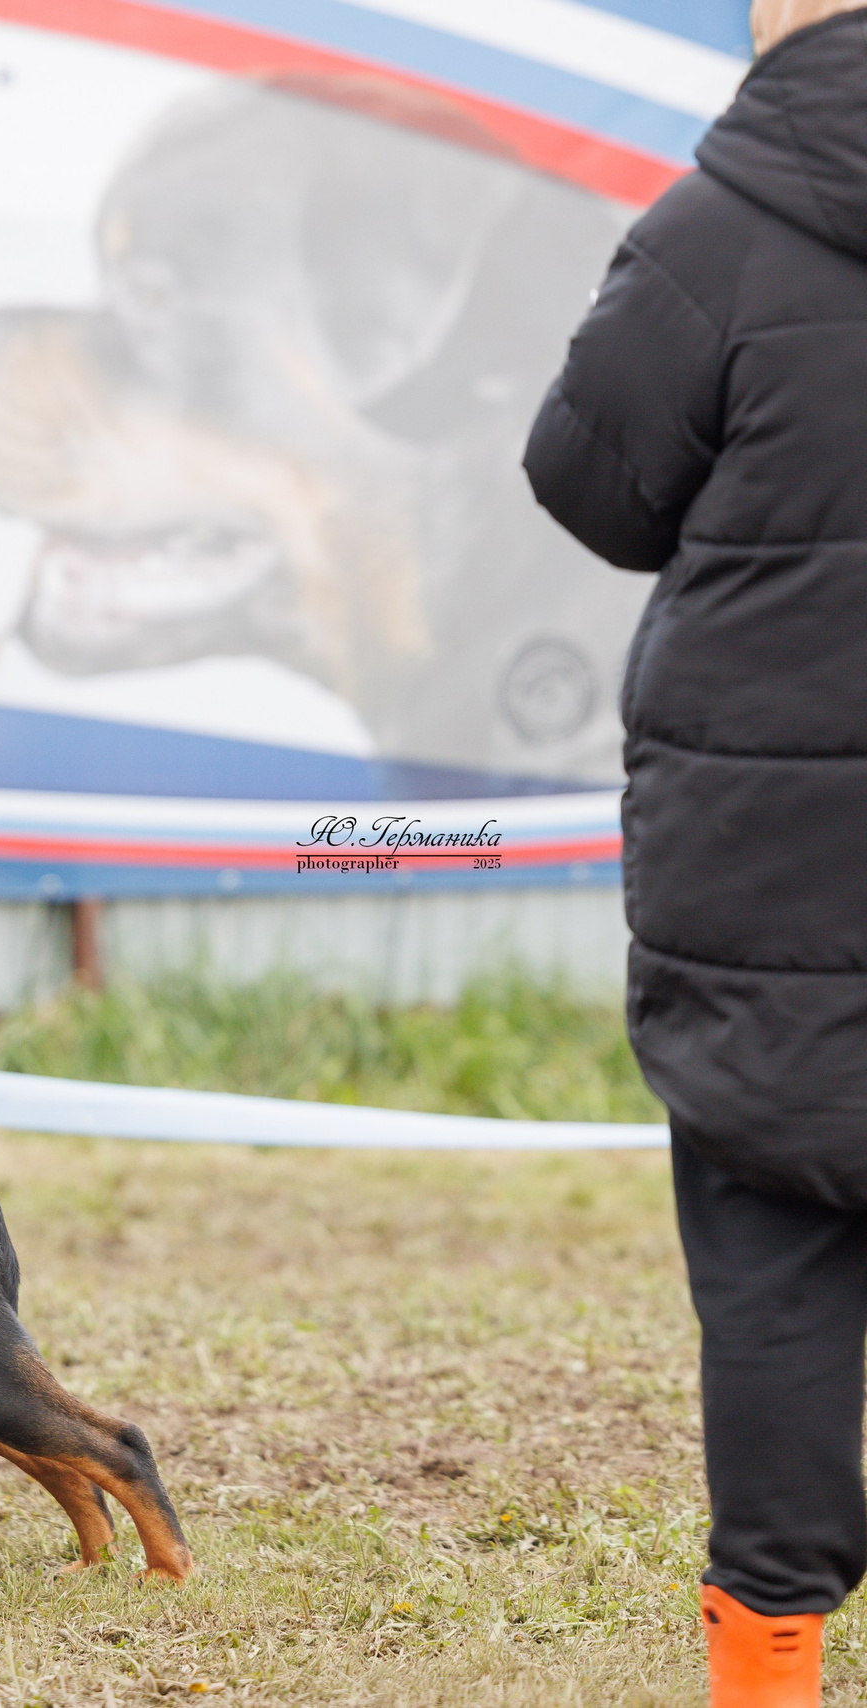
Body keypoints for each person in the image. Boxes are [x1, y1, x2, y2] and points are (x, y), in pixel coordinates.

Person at [526, 3, 867, 1703]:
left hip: (770, 868)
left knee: (776, 1262)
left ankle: (771, 1673)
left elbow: (590, 489)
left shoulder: (714, 232)